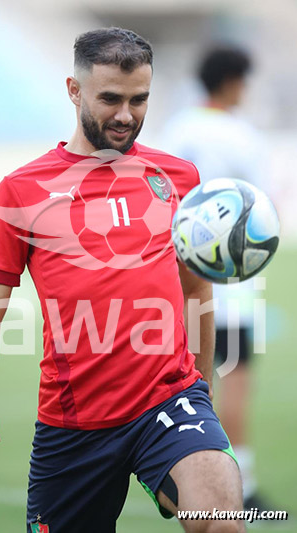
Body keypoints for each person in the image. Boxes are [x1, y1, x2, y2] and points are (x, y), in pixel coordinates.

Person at [0, 28, 245, 533]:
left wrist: (200, 386)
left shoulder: (178, 177)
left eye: (139, 99)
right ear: (74, 90)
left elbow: (196, 288)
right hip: (74, 425)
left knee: (220, 519)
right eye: (110, 98)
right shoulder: (22, 190)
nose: (125, 115)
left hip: (169, 400)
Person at [160, 46, 274, 513]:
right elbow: (260, 210)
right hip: (231, 279)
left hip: (178, 276)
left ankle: (172, 472)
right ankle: (239, 482)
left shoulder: (175, 129)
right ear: (231, 82)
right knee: (237, 376)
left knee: (182, 381)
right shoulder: (241, 135)